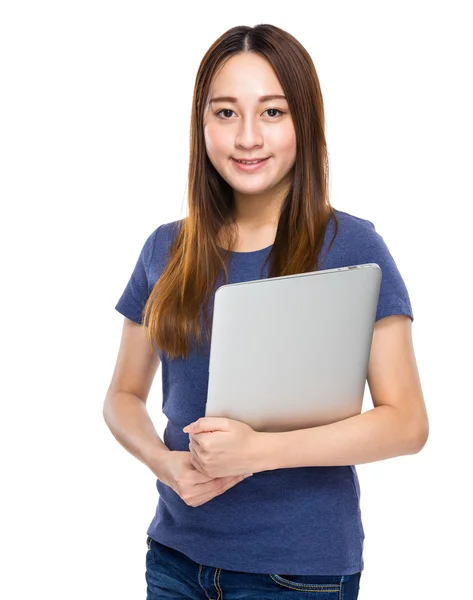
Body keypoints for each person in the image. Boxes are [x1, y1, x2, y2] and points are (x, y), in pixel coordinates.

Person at [103, 23, 429, 600]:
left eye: (272, 112)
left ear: (304, 120)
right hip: (175, 561)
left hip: (298, 574)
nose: (248, 137)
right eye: (225, 113)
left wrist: (261, 452)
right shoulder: (164, 247)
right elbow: (123, 397)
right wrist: (165, 463)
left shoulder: (351, 247)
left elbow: (406, 423)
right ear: (201, 124)